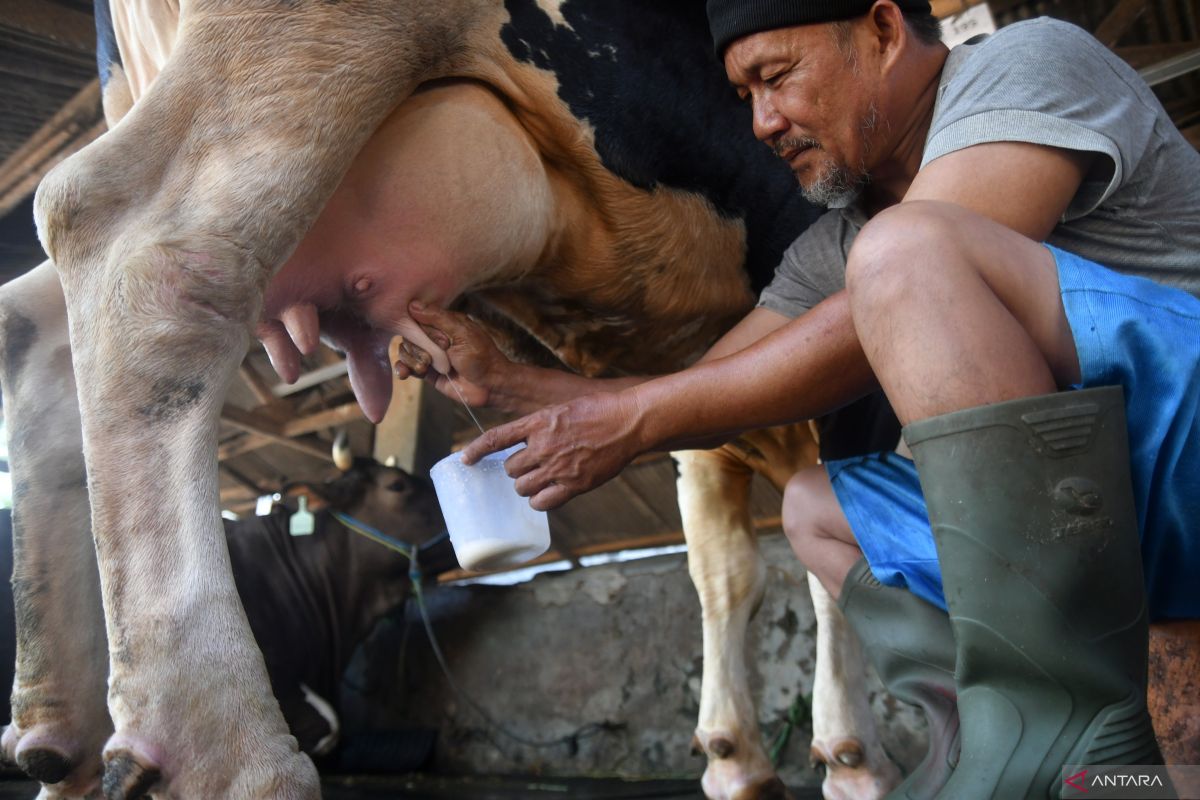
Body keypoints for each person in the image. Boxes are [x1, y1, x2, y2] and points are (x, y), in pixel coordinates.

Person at [398, 1, 1200, 795]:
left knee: (905, 255)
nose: (762, 121)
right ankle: (994, 736)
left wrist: (634, 419)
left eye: (775, 77)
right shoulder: (843, 241)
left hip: (1183, 438)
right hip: (1099, 513)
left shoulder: (1024, 63)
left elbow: (905, 282)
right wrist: (515, 383)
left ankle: (1054, 732)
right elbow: (709, 390)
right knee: (815, 508)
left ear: (884, 32)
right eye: (744, 96)